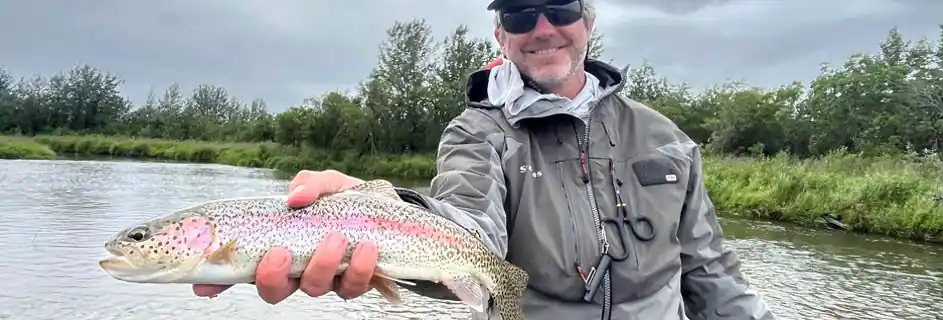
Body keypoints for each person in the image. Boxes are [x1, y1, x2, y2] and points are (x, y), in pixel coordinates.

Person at [193, 0, 778, 319]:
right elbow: (469, 227)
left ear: (588, 22)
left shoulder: (664, 135)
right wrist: (377, 213)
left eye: (559, 8)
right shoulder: (477, 133)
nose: (542, 28)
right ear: (501, 36)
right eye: (521, 14)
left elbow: (711, 272)